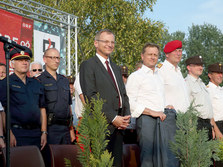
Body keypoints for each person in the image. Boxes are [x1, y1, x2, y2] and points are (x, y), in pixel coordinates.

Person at [80, 29, 131, 167]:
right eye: (106, 41)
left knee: (117, 163)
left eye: (112, 42)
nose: (110, 45)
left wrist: (126, 116)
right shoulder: (88, 65)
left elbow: (123, 94)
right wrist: (113, 118)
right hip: (102, 125)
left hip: (120, 126)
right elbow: (91, 96)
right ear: (96, 43)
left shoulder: (116, 67)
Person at [126, 43, 178, 167]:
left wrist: (166, 106)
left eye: (155, 55)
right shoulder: (136, 76)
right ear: (142, 56)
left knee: (162, 158)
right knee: (148, 159)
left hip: (162, 121)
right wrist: (151, 112)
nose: (153, 57)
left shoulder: (159, 77)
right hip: (146, 120)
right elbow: (129, 102)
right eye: (150, 54)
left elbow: (157, 99)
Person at [0, 47, 47, 149]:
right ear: (12, 64)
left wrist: (44, 132)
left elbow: (42, 108)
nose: (24, 63)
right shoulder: (5, 83)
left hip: (36, 133)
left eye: (26, 60)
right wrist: (9, 133)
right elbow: (3, 111)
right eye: (20, 60)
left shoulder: (36, 83)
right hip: (17, 134)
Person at [37, 48, 75, 144]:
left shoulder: (64, 80)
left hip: (65, 129)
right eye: (52, 57)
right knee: (51, 158)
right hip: (50, 129)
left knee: (66, 158)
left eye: (58, 58)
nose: (56, 61)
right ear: (45, 59)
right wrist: (43, 131)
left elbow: (68, 106)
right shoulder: (39, 81)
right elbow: (39, 108)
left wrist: (71, 130)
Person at [185, 56, 223, 140]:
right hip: (196, 123)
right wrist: (191, 129)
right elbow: (186, 107)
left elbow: (207, 108)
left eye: (201, 65)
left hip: (207, 123)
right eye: (197, 65)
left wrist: (213, 127)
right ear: (188, 67)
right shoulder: (186, 83)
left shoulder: (202, 84)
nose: (201, 67)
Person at [158, 40, 190, 113]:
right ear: (167, 54)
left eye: (180, 51)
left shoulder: (178, 71)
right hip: (169, 115)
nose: (178, 54)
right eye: (175, 51)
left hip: (183, 118)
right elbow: (156, 92)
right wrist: (165, 106)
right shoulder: (161, 70)